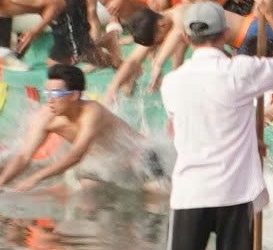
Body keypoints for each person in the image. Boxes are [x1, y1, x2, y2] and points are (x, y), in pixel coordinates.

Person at [158, 1, 273, 250]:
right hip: (233, 193)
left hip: (190, 192)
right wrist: (269, 18)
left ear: (186, 37)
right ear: (225, 33)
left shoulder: (172, 84)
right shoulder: (241, 71)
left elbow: (204, 121)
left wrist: (251, 140)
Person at [0, 63, 161, 191]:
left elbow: (75, 155)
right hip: (103, 162)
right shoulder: (46, 117)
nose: (49, 100)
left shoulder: (92, 112)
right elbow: (23, 156)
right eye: (46, 93)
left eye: (55, 94)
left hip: (138, 153)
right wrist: (2, 182)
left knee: (156, 198)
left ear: (74, 95)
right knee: (86, 197)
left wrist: (35, 178)